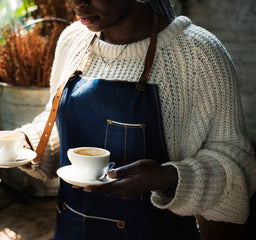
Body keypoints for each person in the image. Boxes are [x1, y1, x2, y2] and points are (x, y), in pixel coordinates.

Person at [14, 0, 256, 239]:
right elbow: (56, 120)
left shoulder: (199, 54)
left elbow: (238, 170)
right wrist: (29, 143)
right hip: (70, 230)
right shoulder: (72, 41)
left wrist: (170, 178)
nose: (77, 2)